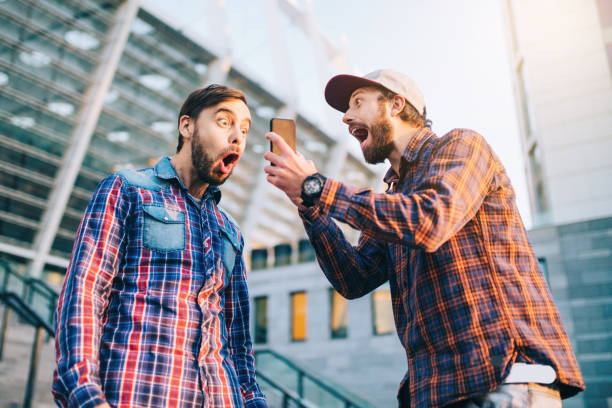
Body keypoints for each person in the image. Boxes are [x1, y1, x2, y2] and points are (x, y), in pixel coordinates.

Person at [263, 69, 585, 407]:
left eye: (358, 102)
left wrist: (317, 186)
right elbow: (353, 277)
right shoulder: (394, 197)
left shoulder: (462, 145)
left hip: (502, 380)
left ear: (396, 105)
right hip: (437, 391)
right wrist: (309, 206)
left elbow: (431, 220)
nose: (345, 117)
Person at [53, 84, 267, 408]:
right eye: (224, 122)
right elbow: (85, 292)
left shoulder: (230, 232)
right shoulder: (127, 190)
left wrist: (253, 399)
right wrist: (85, 393)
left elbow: (238, 341)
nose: (238, 136)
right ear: (187, 126)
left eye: (245, 129)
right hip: (139, 395)